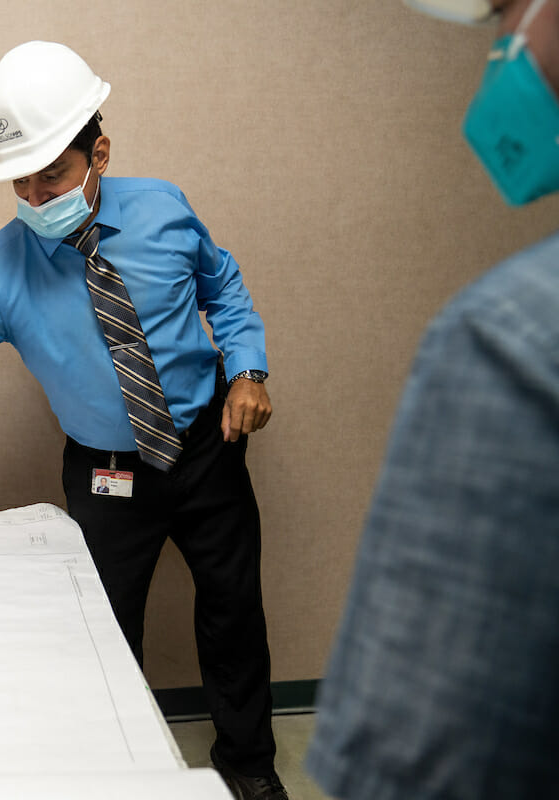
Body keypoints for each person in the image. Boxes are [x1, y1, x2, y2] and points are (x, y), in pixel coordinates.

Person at [0, 41, 285, 800]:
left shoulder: (165, 209)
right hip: (107, 477)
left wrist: (248, 369)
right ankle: (121, 773)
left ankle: (250, 766)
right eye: (21, 182)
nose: (36, 198)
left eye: (54, 175)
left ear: (98, 153)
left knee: (234, 617)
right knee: (101, 639)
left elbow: (224, 290)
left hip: (208, 450)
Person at [305, 1, 559, 798]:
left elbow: (412, 776)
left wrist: (246, 372)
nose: (504, 53)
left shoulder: (509, 346)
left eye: (509, 16)